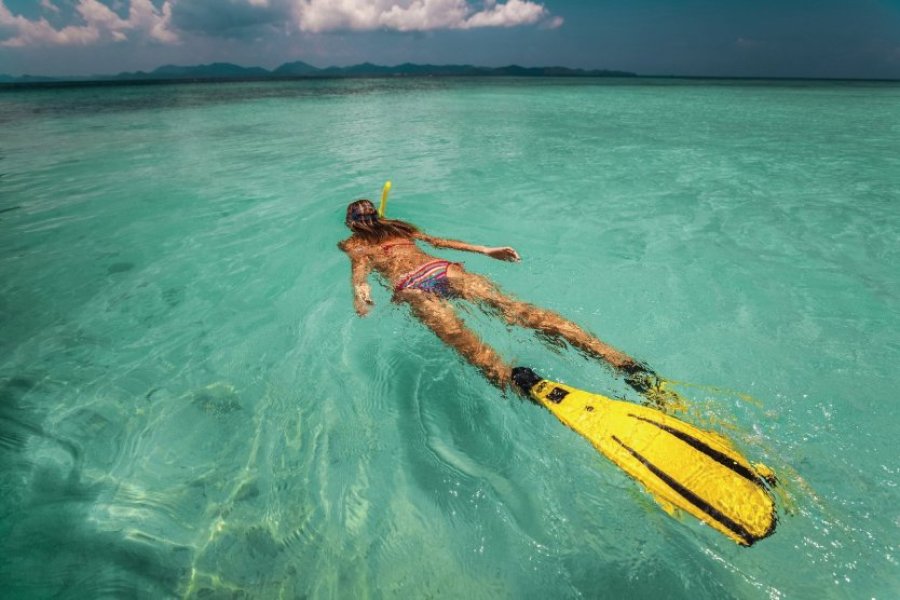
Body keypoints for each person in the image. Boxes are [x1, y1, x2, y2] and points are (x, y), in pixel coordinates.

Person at [339, 199, 663, 396]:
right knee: (496, 324)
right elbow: (369, 266)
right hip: (429, 277)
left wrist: (485, 250)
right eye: (365, 217)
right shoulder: (377, 238)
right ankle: (611, 364)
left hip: (421, 280)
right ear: (364, 220)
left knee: (488, 331)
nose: (366, 221)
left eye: (366, 216)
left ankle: (523, 381)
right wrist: (360, 292)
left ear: (355, 221)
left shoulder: (376, 238)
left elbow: (369, 266)